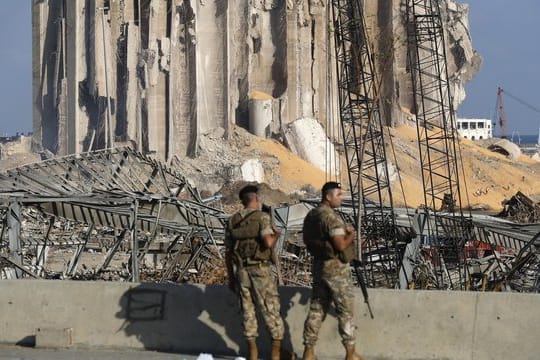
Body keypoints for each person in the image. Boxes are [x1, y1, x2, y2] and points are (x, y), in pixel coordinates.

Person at [225, 184, 290, 360]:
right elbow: (268, 243)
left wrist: (231, 277)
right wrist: (276, 235)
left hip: (241, 273)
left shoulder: (232, 221)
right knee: (271, 310)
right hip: (260, 271)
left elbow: (228, 252)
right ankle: (276, 353)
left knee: (247, 312)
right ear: (256, 199)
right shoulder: (262, 218)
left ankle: (252, 352)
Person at [301, 181, 365, 360]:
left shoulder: (312, 215)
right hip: (336, 270)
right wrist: (351, 233)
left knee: (316, 308)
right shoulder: (331, 217)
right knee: (345, 311)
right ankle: (350, 353)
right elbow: (341, 244)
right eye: (339, 195)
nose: (341, 198)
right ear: (328, 196)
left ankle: (308, 350)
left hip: (320, 266)